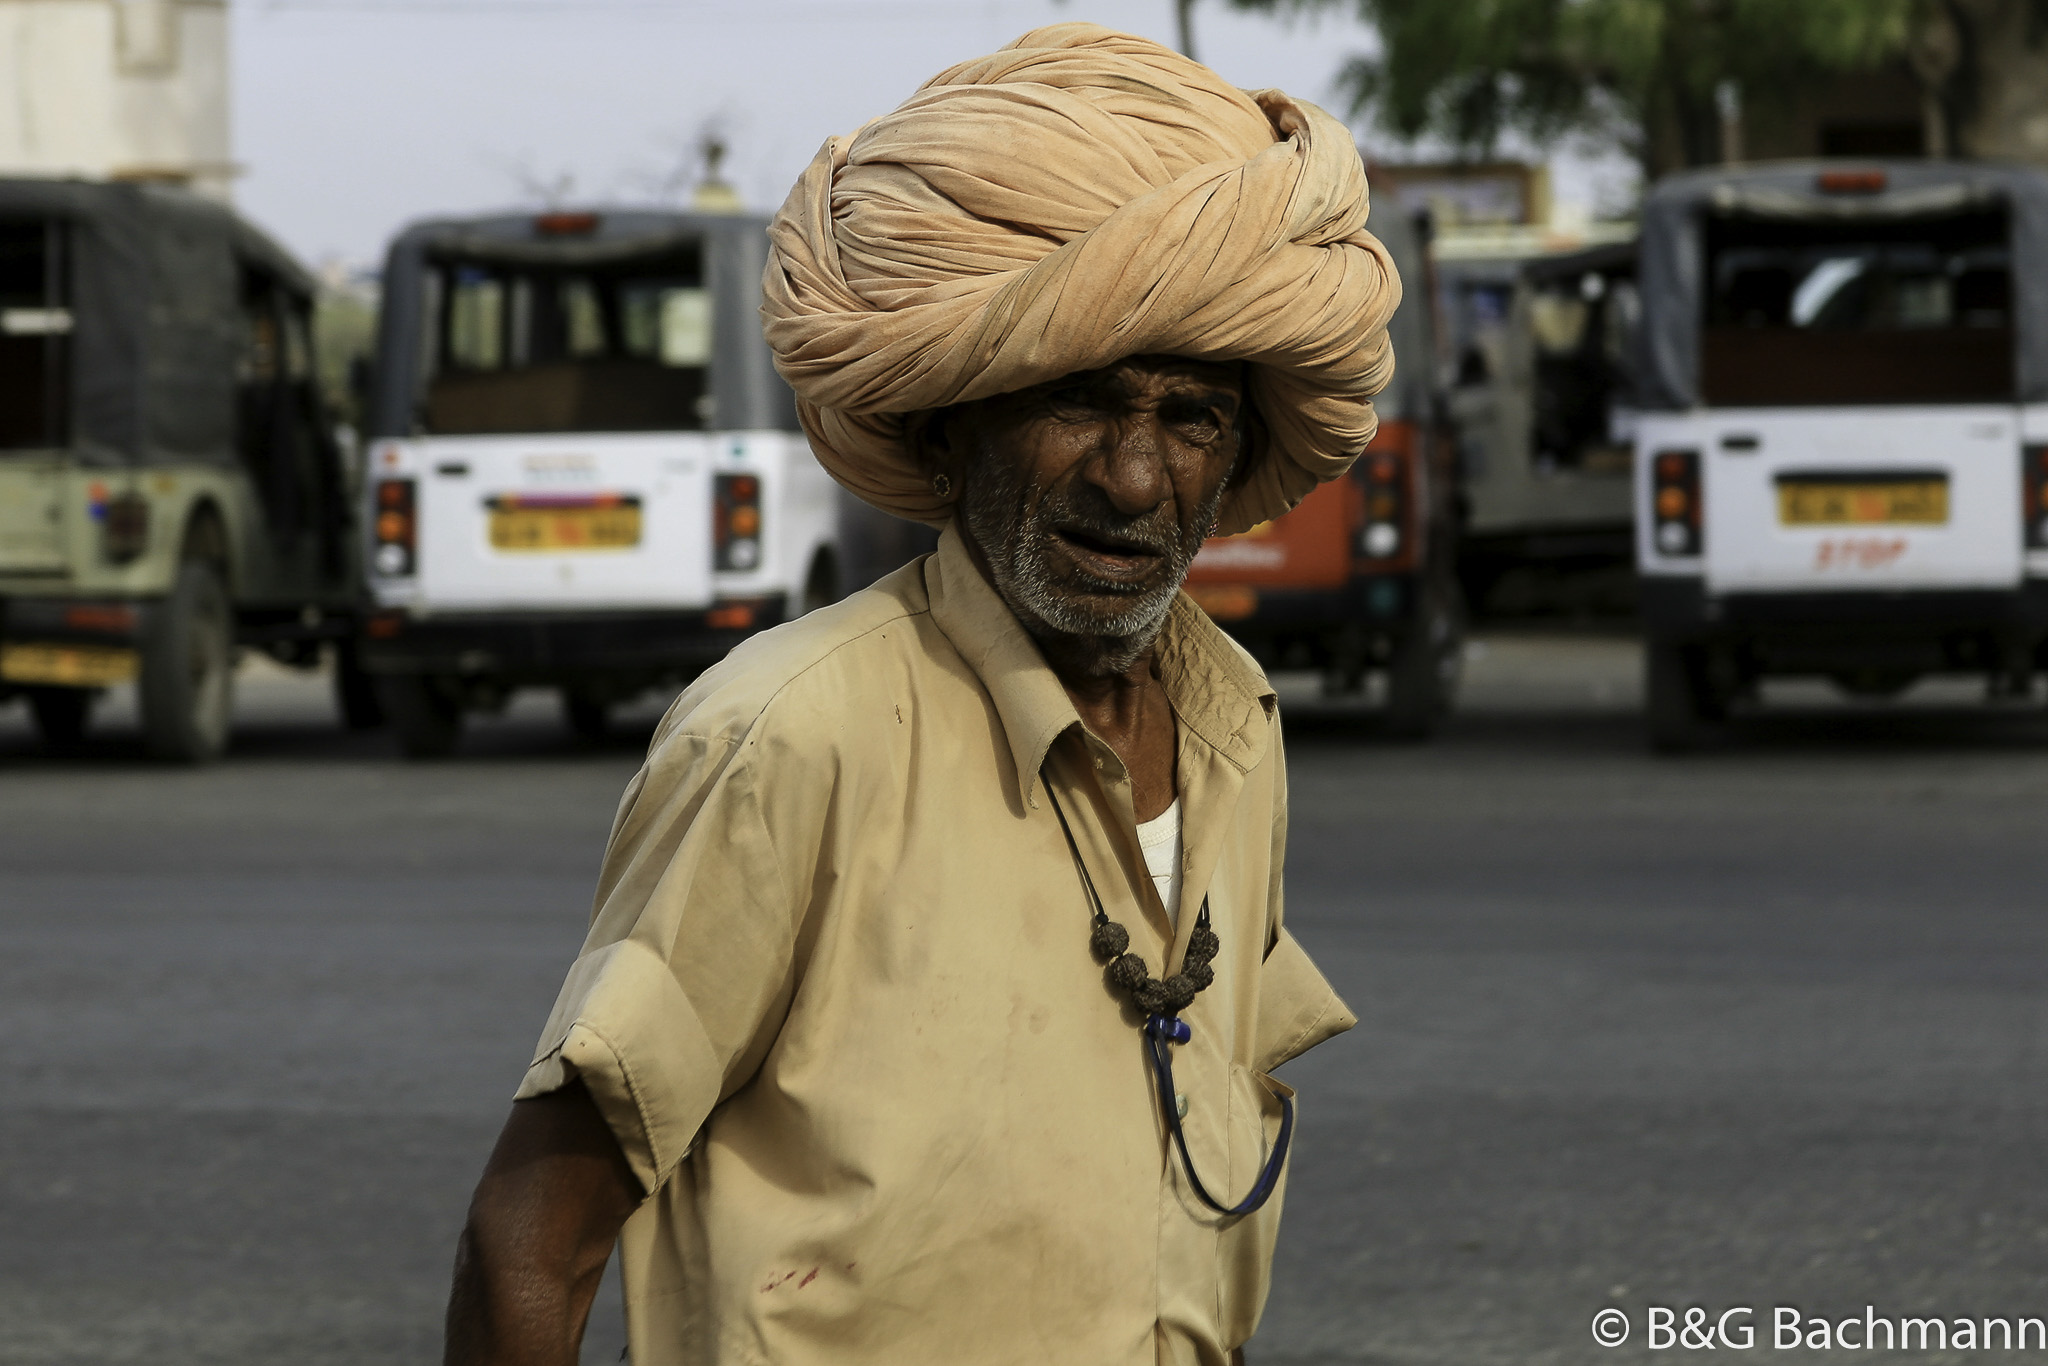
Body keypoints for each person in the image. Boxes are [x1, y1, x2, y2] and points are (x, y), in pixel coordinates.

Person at [443, 23, 1399, 1366]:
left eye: (1191, 418)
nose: (1134, 479)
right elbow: (530, 1245)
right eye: (1078, 399)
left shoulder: (1233, 727)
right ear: (954, 418)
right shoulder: (793, 731)